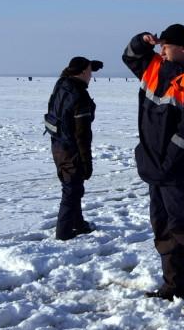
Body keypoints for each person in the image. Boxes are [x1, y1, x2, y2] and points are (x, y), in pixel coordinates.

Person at [122, 24, 184, 315]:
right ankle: (173, 285)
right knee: (163, 230)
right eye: (160, 45)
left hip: (179, 173)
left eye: (167, 45)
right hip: (155, 170)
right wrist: (142, 41)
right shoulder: (153, 67)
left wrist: (169, 164)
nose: (161, 49)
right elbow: (130, 57)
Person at [44, 56, 103, 241]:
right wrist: (87, 163)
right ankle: (64, 234)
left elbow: (67, 71)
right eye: (90, 72)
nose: (91, 76)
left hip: (57, 145)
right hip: (71, 149)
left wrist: (90, 65)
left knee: (74, 187)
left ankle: (78, 224)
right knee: (71, 190)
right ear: (83, 72)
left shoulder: (62, 83)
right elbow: (82, 135)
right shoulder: (80, 96)